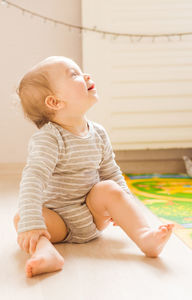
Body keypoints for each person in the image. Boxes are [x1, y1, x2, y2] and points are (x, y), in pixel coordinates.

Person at [13, 56, 174, 278]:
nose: (86, 76)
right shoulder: (49, 139)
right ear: (55, 102)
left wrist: (124, 205)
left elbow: (111, 171)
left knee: (107, 187)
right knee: (21, 218)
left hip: (93, 215)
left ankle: (146, 237)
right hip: (58, 221)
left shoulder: (97, 132)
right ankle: (46, 253)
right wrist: (32, 221)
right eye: (74, 74)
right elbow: (34, 179)